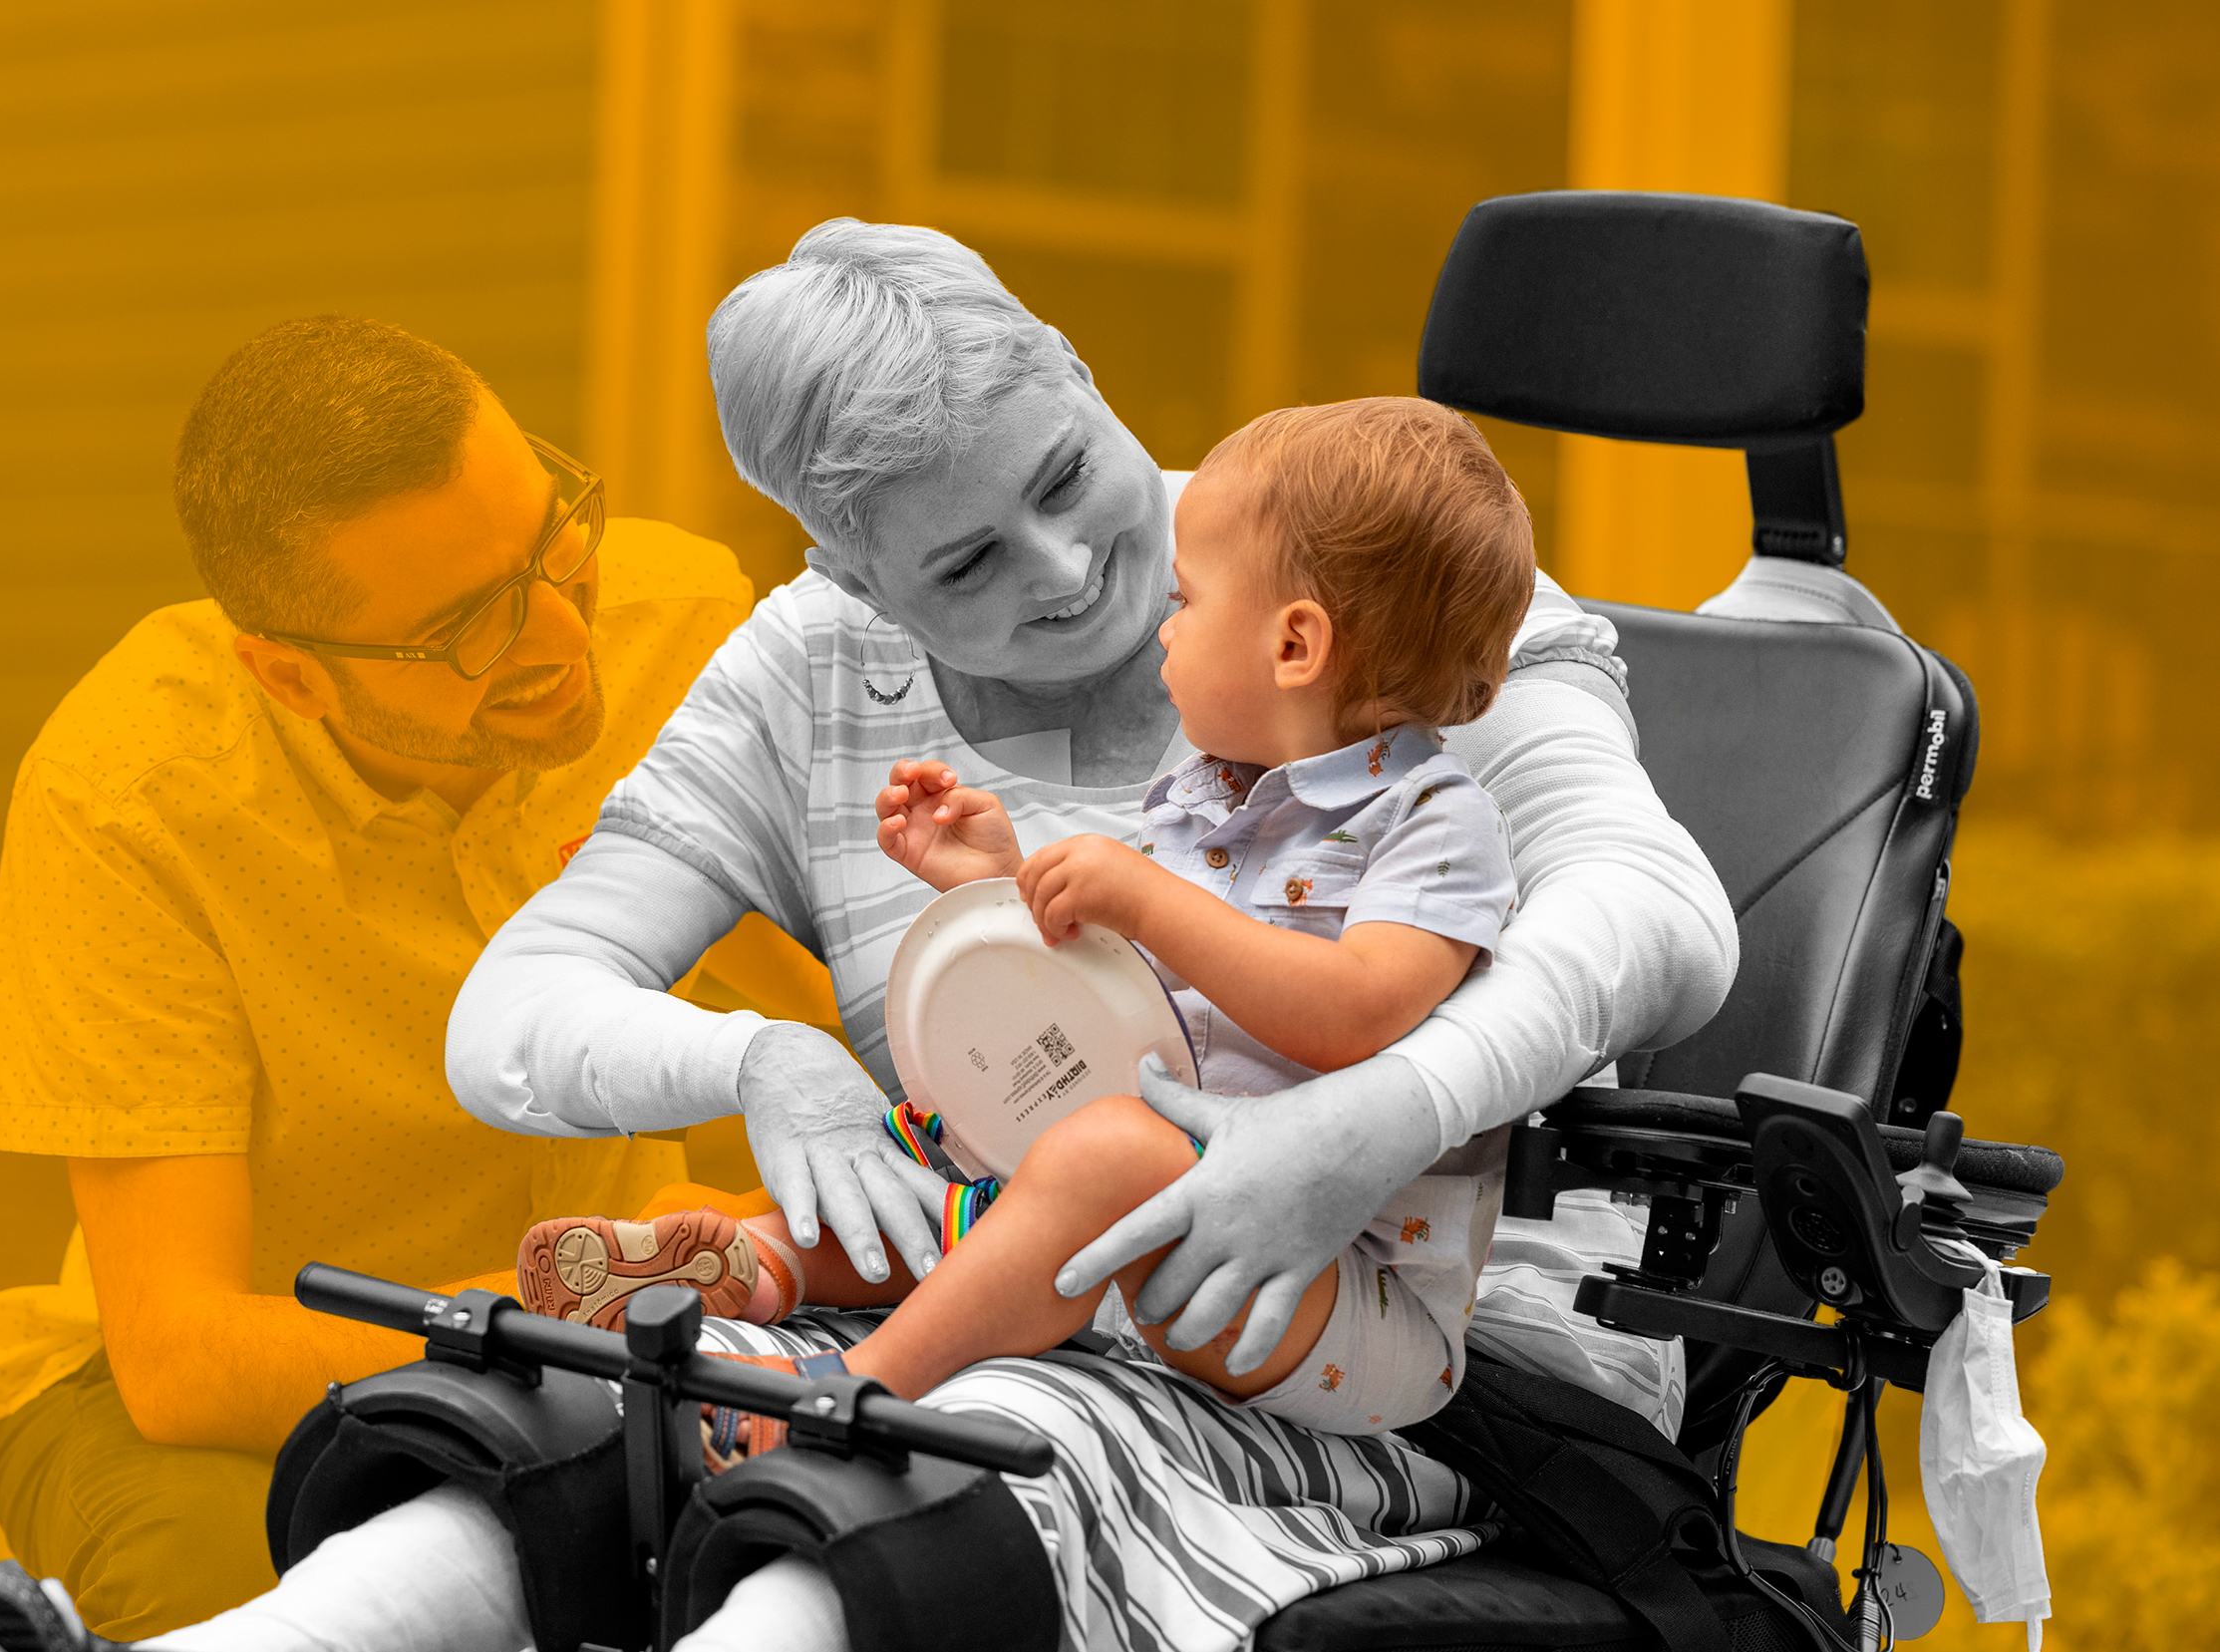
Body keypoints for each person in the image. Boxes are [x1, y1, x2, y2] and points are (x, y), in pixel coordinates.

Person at [0, 221, 1733, 1652]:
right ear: (847, 576)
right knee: (642, 1409)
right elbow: (517, 1014)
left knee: (908, 1446)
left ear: (1091, 377)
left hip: (1387, 1321)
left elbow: (1658, 914)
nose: (1068, 572)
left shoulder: (1362, 580)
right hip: (1048, 1286)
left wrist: (1368, 1124)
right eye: (961, 566)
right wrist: (764, 1061)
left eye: (1069, 474)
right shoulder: (803, 675)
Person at [0, 316, 810, 1639]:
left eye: (553, 543)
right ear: (290, 672)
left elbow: (890, 1051)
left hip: (619, 1304)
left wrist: (742, 931)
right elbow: (178, 1352)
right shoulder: (130, 792)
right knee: (245, 1585)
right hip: (222, 1391)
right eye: (471, 624)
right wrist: (563, 1341)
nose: (565, 635)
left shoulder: (682, 624)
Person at [516, 396, 1533, 1451]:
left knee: (1100, 1158)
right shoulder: (1208, 793)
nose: (1163, 626)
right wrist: (998, 885)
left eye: (1184, 600)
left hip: (1326, 1291)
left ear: (1292, 644)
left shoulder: (1433, 820)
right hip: (1151, 1214)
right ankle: (743, 1262)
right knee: (943, 1144)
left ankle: (856, 1384)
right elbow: (1136, 998)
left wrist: (1146, 898)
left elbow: (1355, 1013)